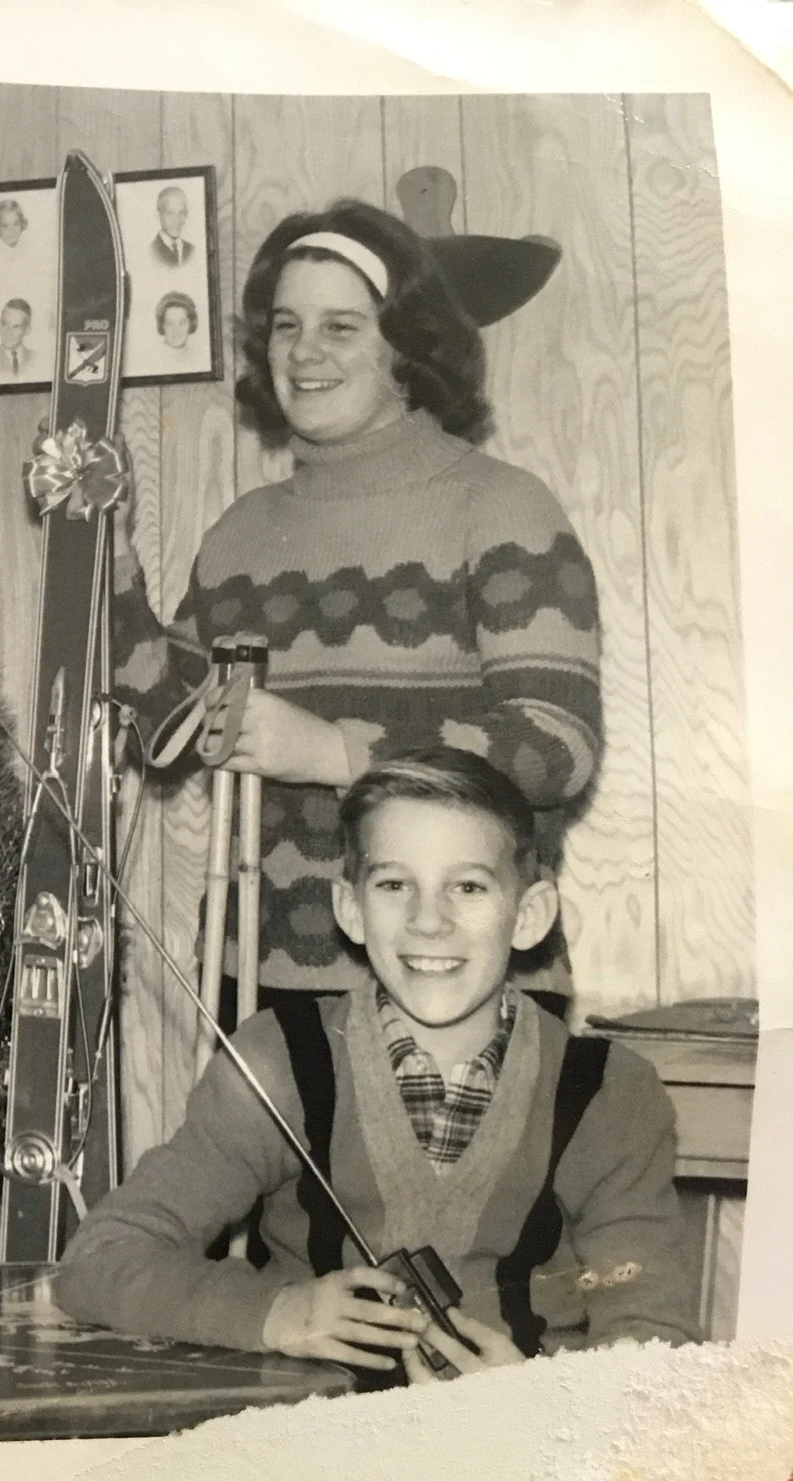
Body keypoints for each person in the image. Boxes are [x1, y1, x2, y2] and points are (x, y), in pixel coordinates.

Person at [53, 749, 696, 1382]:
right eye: (394, 885)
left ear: (528, 916)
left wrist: (542, 1400)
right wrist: (275, 1312)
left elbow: (650, 1337)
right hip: (308, 1455)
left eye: (467, 887)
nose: (428, 921)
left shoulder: (609, 1091)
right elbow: (99, 1260)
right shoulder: (280, 1061)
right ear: (351, 910)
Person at [110, 199, 601, 1020]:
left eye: (341, 327)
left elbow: (557, 747)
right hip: (263, 996)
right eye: (285, 325)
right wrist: (114, 559)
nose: (304, 353)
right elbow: (169, 731)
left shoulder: (502, 507)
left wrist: (338, 751)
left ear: (405, 348)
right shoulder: (240, 533)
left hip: (461, 990)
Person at [0, 298, 38, 379]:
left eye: (16, 327)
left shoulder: (36, 360)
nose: (8, 332)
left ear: (27, 330)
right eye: (4, 324)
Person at [151, 185, 197, 267]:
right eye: (170, 213)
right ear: (158, 215)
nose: (176, 220)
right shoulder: (152, 251)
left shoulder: (192, 251)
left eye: (181, 213)